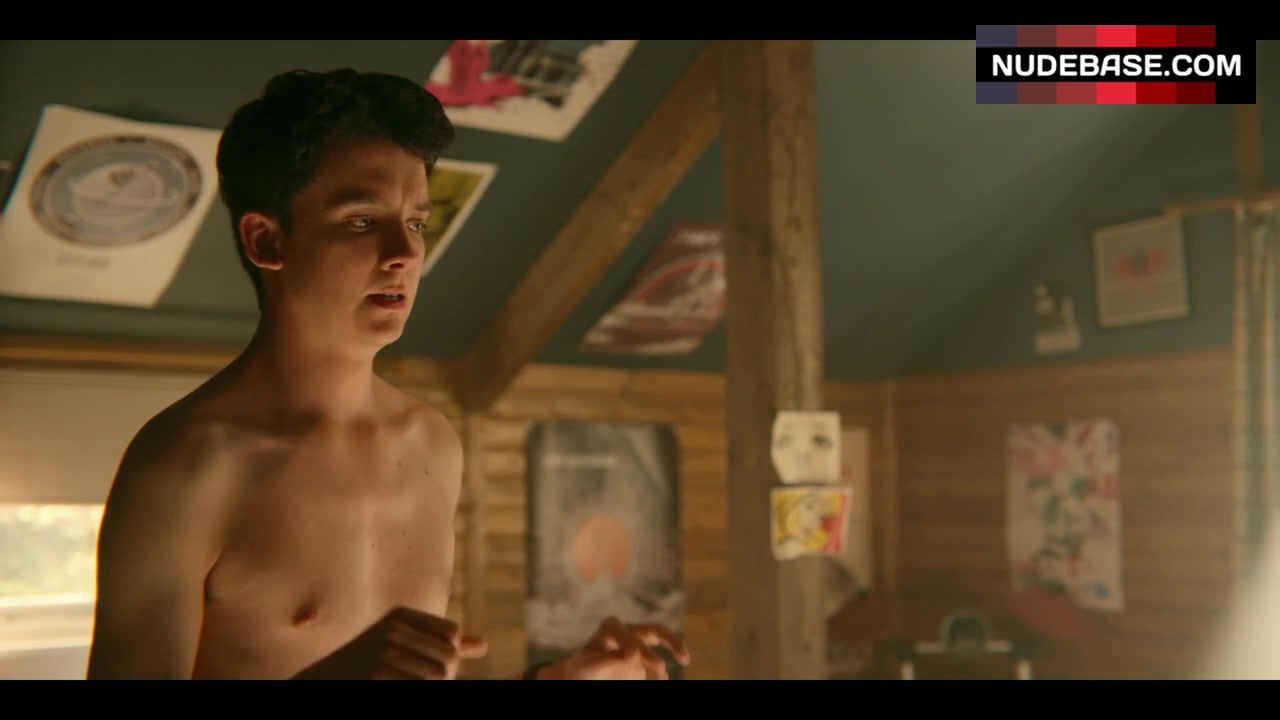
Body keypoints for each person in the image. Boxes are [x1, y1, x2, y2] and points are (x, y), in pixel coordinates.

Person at [85, 68, 689, 681]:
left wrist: (560, 679)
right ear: (266, 241)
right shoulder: (184, 466)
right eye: (361, 221)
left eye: (417, 223)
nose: (404, 253)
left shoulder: (432, 443)